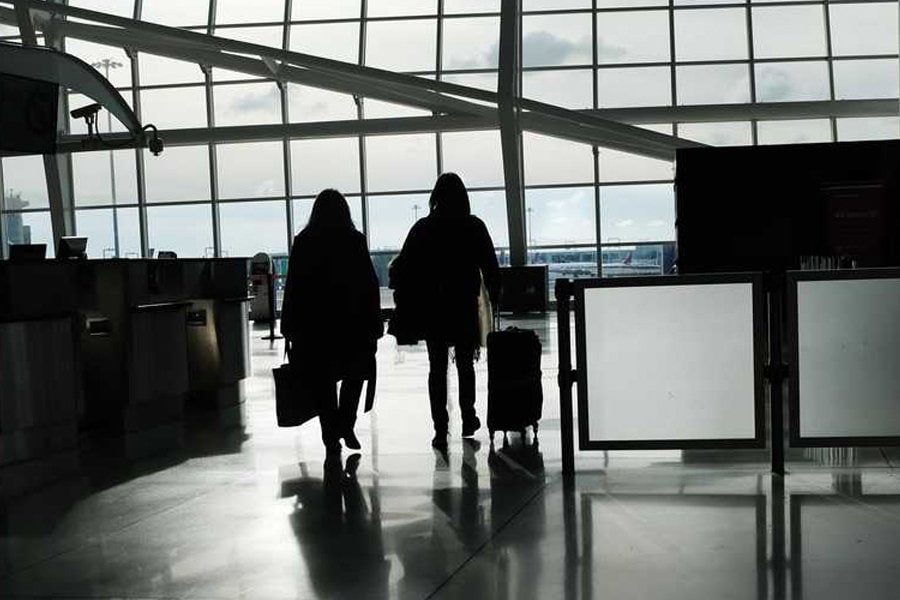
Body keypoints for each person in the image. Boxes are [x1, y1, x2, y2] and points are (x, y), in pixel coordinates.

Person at [389, 173, 500, 450]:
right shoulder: (473, 226)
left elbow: (402, 267)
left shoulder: (423, 228)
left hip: (433, 308)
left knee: (437, 367)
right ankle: (468, 416)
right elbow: (490, 265)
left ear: (435, 197)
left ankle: (440, 426)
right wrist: (495, 296)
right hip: (463, 305)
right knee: (465, 363)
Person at [281, 189, 382, 454]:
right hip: (352, 325)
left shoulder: (303, 241)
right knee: (354, 374)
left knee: (321, 381)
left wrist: (288, 325)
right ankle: (346, 423)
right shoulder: (354, 240)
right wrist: (374, 322)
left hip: (314, 328)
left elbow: (294, 286)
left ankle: (330, 435)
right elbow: (369, 285)